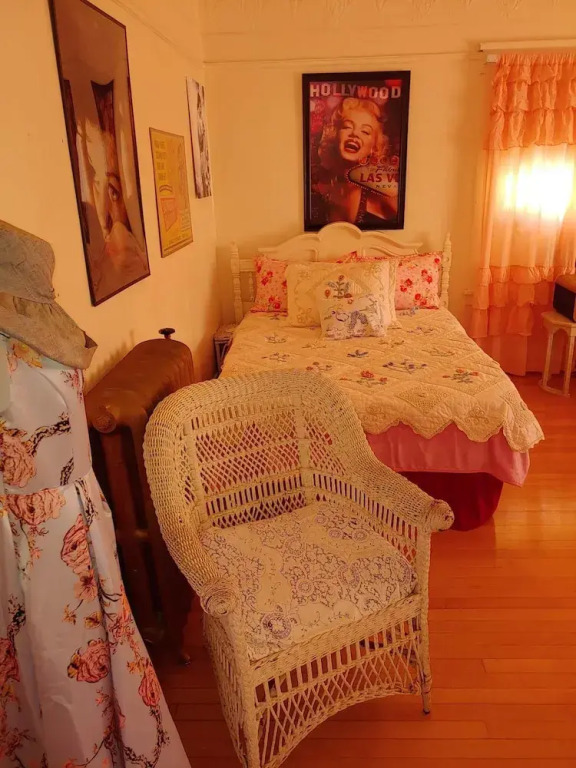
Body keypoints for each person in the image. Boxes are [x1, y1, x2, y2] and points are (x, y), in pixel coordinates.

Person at [0, 221, 190, 767]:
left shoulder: (20, 348)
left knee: (61, 655)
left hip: (54, 524)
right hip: (60, 520)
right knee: (69, 652)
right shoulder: (28, 346)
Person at [311, 97, 399, 227]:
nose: (354, 134)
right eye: (347, 127)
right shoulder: (319, 183)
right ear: (335, 135)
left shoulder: (380, 190)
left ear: (374, 147)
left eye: (365, 131)